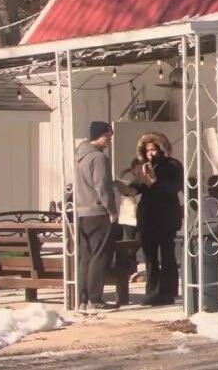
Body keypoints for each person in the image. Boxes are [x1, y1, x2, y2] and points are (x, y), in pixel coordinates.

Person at [134, 132, 184, 306]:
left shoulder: (172, 165)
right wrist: (128, 187)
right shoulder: (144, 166)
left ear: (161, 148)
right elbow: (137, 186)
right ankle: (152, 291)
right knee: (150, 258)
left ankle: (168, 292)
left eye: (153, 149)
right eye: (147, 150)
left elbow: (175, 188)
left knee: (167, 256)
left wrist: (155, 182)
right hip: (147, 217)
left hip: (166, 216)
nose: (150, 154)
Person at [75, 121, 118, 311]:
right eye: (107, 135)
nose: (110, 139)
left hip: (81, 212)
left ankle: (83, 298)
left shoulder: (79, 157)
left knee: (85, 257)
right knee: (100, 256)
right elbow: (103, 186)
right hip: (98, 211)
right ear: (98, 136)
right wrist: (112, 210)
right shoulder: (99, 158)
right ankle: (96, 299)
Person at [114, 160, 142, 281]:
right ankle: (129, 268)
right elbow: (125, 189)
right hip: (128, 217)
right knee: (130, 242)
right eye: (138, 168)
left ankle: (130, 267)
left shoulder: (142, 181)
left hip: (140, 217)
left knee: (138, 241)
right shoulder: (127, 183)